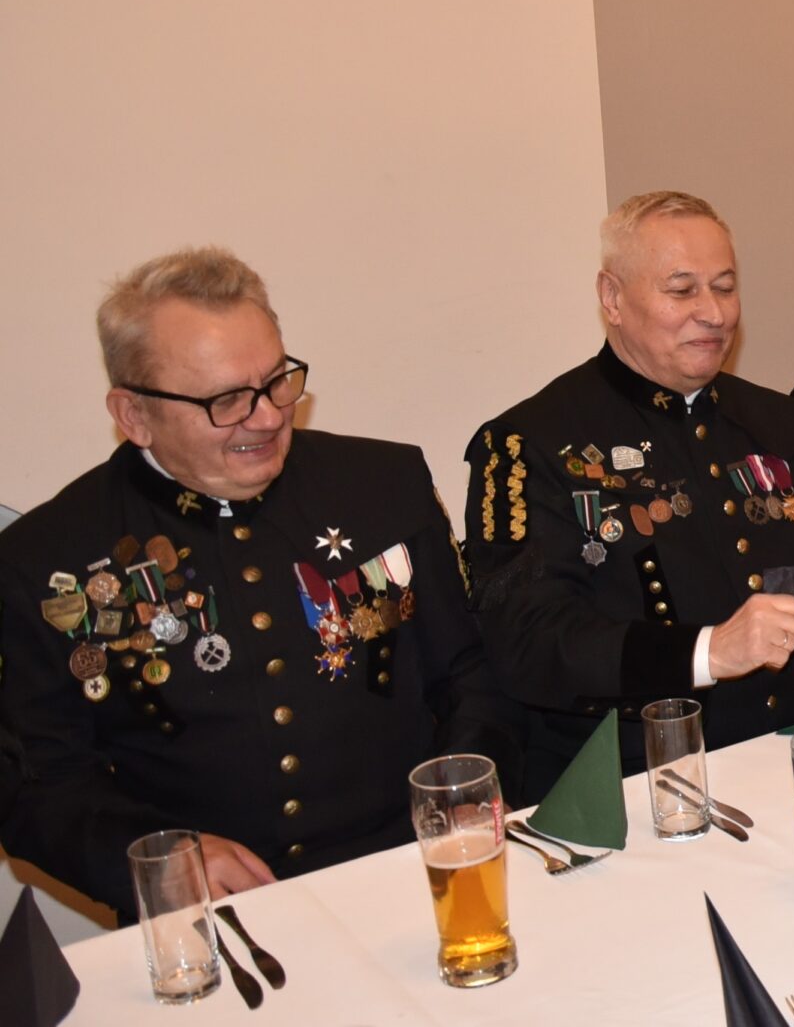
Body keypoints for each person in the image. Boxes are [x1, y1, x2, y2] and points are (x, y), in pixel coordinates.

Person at [0, 248, 523, 919]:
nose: (270, 416)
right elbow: (39, 784)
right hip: (215, 918)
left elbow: (471, 673)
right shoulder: (47, 558)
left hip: (409, 873)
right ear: (133, 415)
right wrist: (159, 859)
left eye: (278, 381)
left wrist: (462, 796)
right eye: (225, 400)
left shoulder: (382, 485)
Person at [466, 191, 794, 800]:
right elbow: (528, 642)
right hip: (631, 788)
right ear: (612, 297)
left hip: (793, 762)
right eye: (682, 291)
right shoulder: (531, 444)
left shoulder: (780, 423)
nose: (713, 313)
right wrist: (708, 652)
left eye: (725, 288)